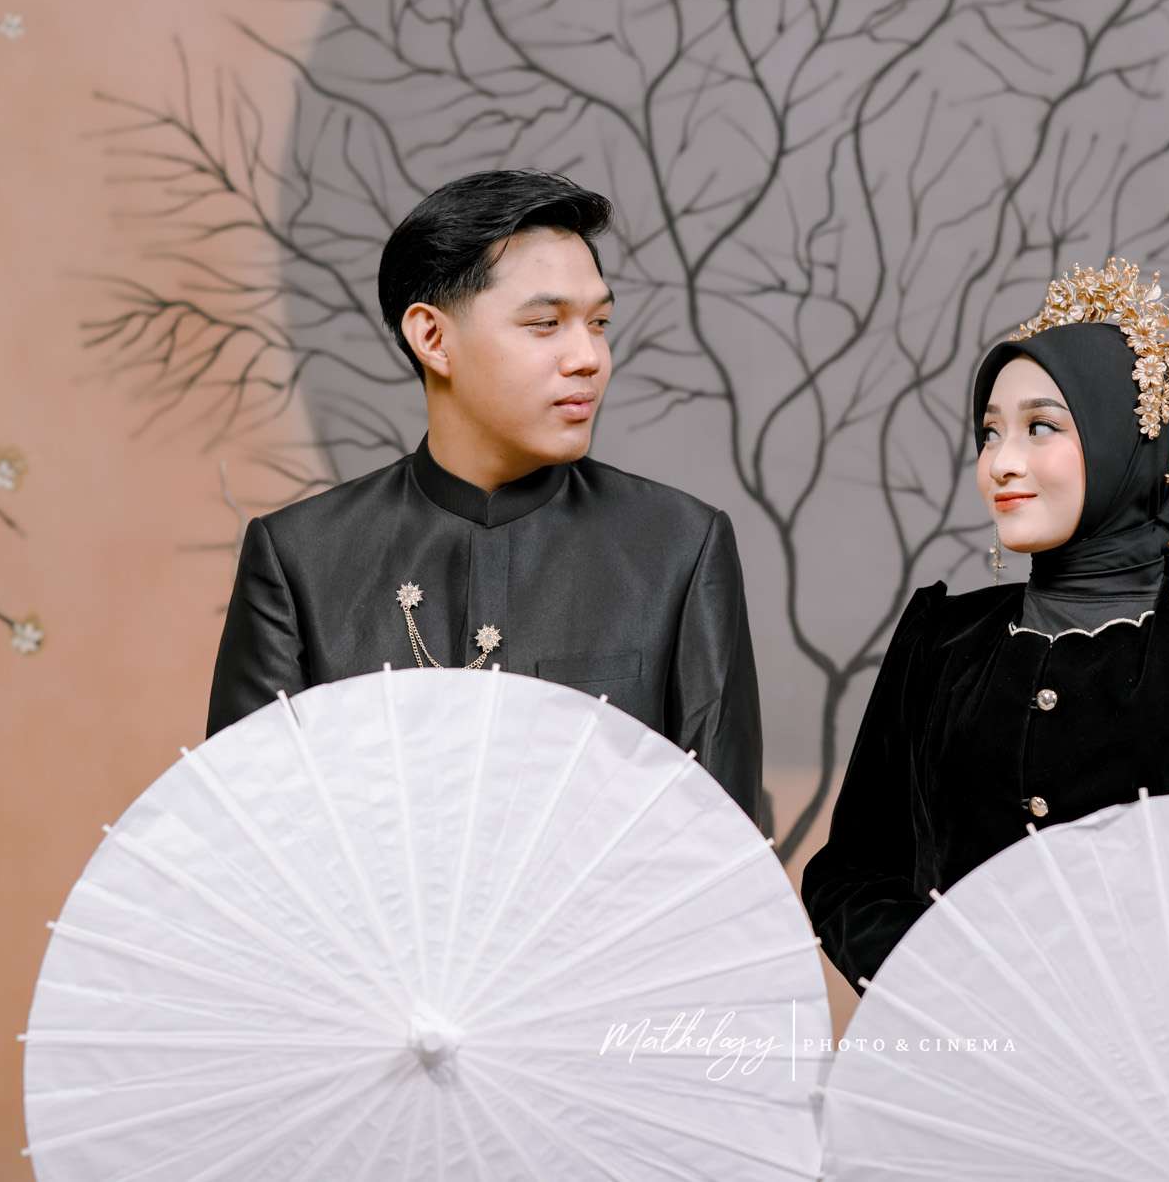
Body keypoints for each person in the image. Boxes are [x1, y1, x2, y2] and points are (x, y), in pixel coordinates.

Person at [801, 258, 1169, 988]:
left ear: (1128, 443)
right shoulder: (940, 642)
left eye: (1039, 428)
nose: (1001, 463)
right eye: (990, 433)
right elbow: (852, 871)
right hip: (954, 1047)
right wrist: (943, 978)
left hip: (1153, 1053)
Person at [206, 169, 763, 819]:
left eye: (599, 322)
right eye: (546, 323)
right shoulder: (300, 557)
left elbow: (722, 840)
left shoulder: (678, 547)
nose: (588, 357)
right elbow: (250, 832)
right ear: (433, 338)